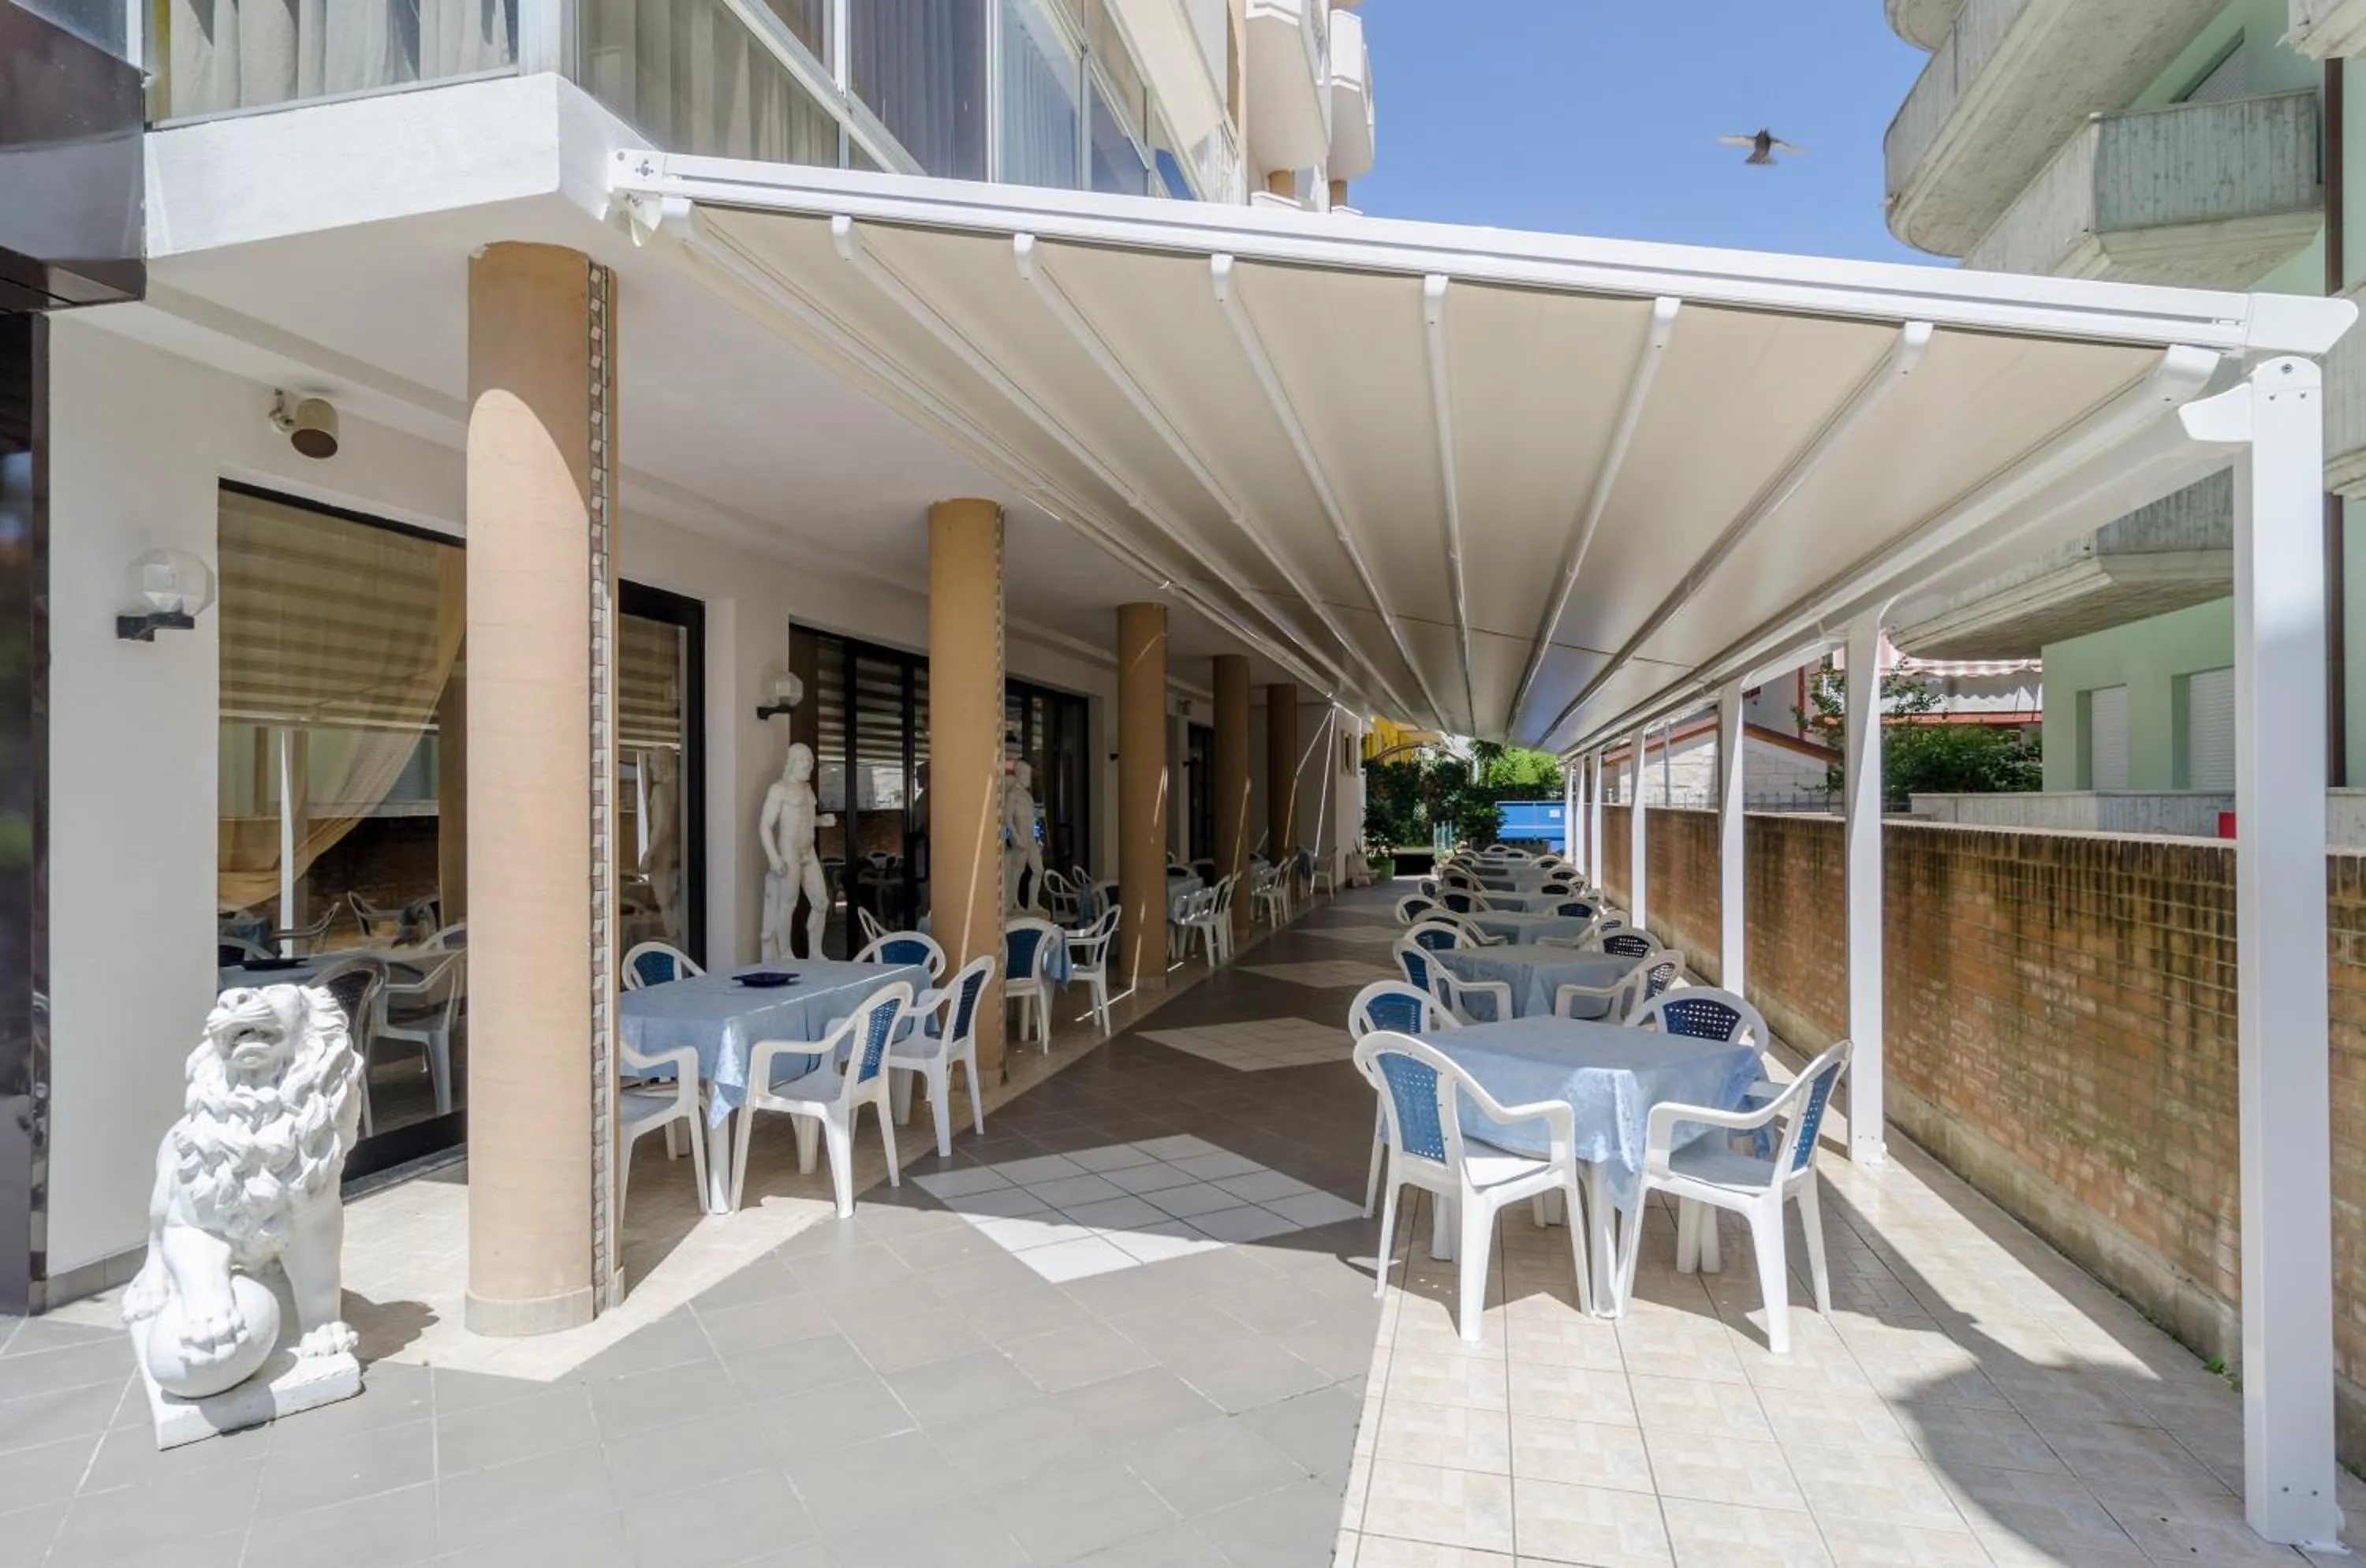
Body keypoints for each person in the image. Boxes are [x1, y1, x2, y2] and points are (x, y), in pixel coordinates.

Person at [759, 742, 834, 961]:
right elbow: (765, 825)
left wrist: (822, 821)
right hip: (788, 852)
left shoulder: (807, 789)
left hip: (808, 852)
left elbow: (805, 819)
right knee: (788, 903)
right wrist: (774, 858)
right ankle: (785, 953)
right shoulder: (779, 789)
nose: (809, 765)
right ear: (793, 762)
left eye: (811, 761)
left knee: (822, 902)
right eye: (805, 760)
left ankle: (815, 952)